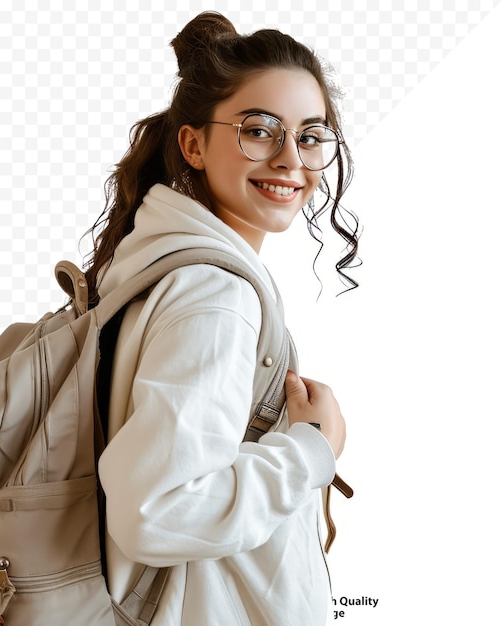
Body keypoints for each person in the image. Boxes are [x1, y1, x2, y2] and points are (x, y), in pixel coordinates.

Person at [85, 11, 359, 626]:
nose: (292, 159)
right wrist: (313, 450)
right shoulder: (214, 296)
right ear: (193, 144)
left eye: (311, 135)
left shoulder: (161, 264)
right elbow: (157, 509)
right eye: (260, 130)